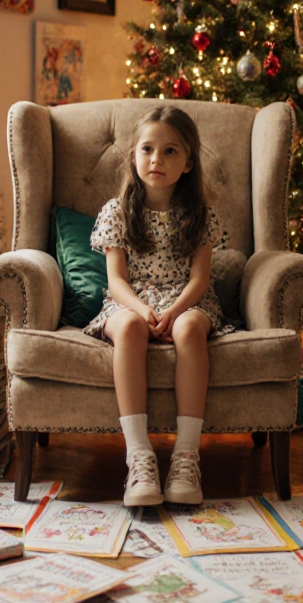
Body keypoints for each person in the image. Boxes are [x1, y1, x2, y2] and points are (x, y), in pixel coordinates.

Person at [83, 106, 231, 507]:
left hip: (188, 299)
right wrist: (143, 310)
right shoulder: (117, 212)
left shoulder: (200, 214)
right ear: (133, 154)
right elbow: (116, 281)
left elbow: (201, 279)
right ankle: (140, 458)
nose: (156, 160)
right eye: (147, 148)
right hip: (130, 300)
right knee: (129, 327)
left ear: (188, 163)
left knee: (187, 329)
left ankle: (186, 457)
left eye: (170, 151)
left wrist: (175, 310)